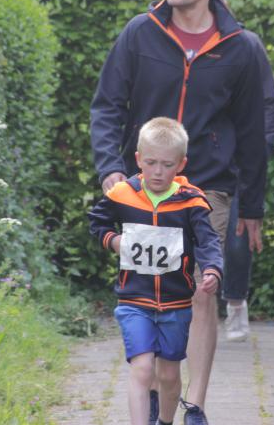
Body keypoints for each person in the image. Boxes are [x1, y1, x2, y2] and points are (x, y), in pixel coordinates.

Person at [90, 0, 268, 425]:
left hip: (207, 185)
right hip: (144, 185)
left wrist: (252, 205)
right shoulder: (140, 33)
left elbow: (253, 130)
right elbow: (107, 106)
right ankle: (155, 387)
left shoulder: (240, 47)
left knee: (203, 288)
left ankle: (195, 404)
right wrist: (111, 169)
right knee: (154, 284)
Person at [89, 117, 223, 425]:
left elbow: (208, 241)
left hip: (176, 303)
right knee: (142, 368)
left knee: (168, 375)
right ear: (138, 159)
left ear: (181, 164)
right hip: (133, 300)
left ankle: (165, 420)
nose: (158, 172)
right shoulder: (122, 194)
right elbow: (97, 222)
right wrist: (113, 240)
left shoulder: (191, 201)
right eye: (150, 163)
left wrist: (212, 270)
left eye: (166, 164)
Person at [209, 0, 274, 343]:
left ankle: (235, 302)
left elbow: (267, 101)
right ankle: (192, 313)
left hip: (239, 161)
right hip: (199, 160)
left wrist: (261, 146)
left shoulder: (247, 45)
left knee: (237, 238)